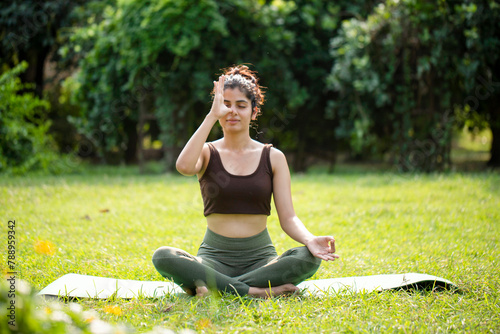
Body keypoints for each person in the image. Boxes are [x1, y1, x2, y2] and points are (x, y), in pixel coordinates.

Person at [152, 65, 338, 298]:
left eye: (241, 106)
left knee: (307, 258)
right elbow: (184, 167)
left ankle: (217, 287)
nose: (232, 112)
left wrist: (310, 240)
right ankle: (255, 291)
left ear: (254, 111)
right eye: (225, 105)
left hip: (262, 261)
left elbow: (288, 217)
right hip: (213, 259)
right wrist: (211, 116)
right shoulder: (207, 152)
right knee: (163, 256)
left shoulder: (273, 157)